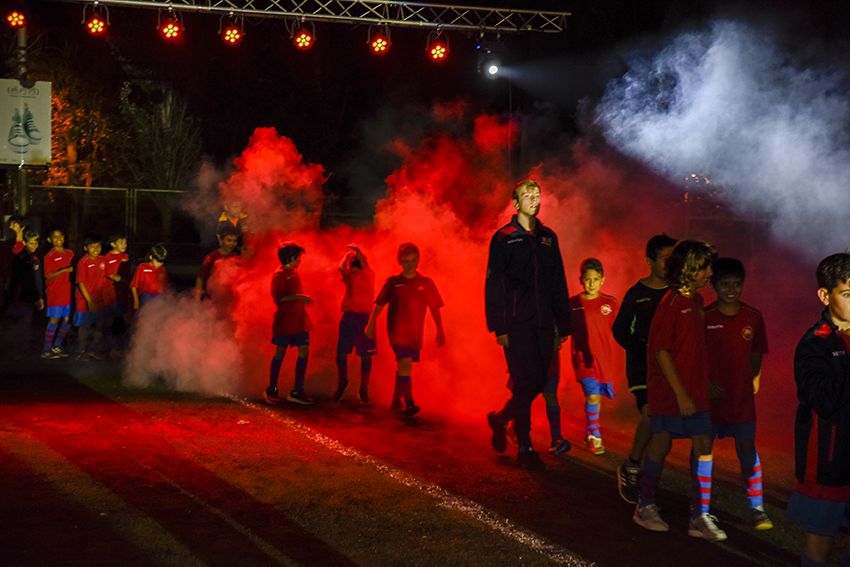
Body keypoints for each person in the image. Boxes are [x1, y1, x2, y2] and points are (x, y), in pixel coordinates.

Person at [632, 240, 727, 542]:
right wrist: (682, 394)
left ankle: (700, 514)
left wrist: (703, 381)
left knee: (703, 445)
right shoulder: (671, 304)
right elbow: (661, 352)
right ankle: (644, 505)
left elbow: (693, 350)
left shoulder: (697, 301)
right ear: (689, 270)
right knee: (661, 442)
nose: (710, 272)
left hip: (694, 391)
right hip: (670, 393)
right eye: (705, 267)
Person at [485, 179, 571, 472]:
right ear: (516, 202)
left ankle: (500, 418)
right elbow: (493, 284)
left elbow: (558, 281)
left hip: (545, 324)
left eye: (537, 194)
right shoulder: (504, 238)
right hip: (516, 325)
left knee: (536, 382)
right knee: (525, 382)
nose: (533, 199)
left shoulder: (548, 237)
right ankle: (525, 447)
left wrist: (564, 322)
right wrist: (500, 327)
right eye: (527, 195)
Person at [786, 253, 850, 567]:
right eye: (849, 294)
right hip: (829, 461)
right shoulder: (815, 344)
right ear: (825, 295)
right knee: (820, 543)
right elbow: (824, 402)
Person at [705, 257, 773, 531]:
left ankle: (757, 508)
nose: (731, 290)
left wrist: (755, 376)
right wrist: (704, 382)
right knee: (703, 450)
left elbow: (757, 351)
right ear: (714, 285)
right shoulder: (705, 316)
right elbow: (694, 356)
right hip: (710, 401)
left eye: (736, 284)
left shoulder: (753, 317)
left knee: (746, 448)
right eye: (725, 284)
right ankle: (700, 506)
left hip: (741, 399)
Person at [612, 233, 676, 503]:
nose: (670, 264)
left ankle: (648, 484)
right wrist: (641, 347)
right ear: (650, 261)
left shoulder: (677, 294)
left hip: (670, 369)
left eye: (674, 259)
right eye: (665, 259)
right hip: (642, 368)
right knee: (651, 415)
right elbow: (619, 329)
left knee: (664, 430)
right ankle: (632, 466)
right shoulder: (637, 294)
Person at [365, 242, 445, 417]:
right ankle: (409, 402)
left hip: (415, 333)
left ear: (418, 260)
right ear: (400, 261)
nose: (410, 264)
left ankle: (395, 400)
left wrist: (440, 330)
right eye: (406, 261)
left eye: (414, 260)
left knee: (403, 366)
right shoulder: (394, 283)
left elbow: (434, 308)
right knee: (405, 362)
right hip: (397, 331)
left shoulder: (426, 283)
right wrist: (370, 325)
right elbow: (379, 304)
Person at [570, 257, 619, 456]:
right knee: (593, 394)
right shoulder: (573, 304)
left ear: (602, 280)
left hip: (603, 359)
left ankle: (589, 430)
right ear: (581, 280)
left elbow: (622, 328)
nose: (591, 283)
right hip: (582, 359)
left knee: (597, 397)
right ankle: (595, 436)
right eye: (587, 279)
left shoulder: (610, 303)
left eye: (595, 279)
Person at [265, 242, 314, 406]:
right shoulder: (279, 275)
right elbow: (279, 299)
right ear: (291, 258)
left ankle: (297, 391)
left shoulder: (293, 272)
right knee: (280, 353)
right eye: (298, 258)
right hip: (285, 322)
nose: (300, 261)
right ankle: (271, 389)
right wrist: (300, 297)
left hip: (299, 321)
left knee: (304, 352)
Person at [333, 244, 376, 403]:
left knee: (365, 355)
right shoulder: (349, 277)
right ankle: (343, 382)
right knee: (341, 353)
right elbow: (340, 268)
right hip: (349, 317)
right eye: (352, 270)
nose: (352, 273)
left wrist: (358, 252)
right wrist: (347, 255)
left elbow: (365, 266)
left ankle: (364, 389)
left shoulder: (368, 275)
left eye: (355, 269)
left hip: (364, 319)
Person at [41, 228, 74, 359]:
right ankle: (46, 349)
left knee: (67, 319)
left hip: (68, 292)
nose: (58, 239)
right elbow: (48, 276)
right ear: (50, 240)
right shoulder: (49, 256)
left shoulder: (70, 253)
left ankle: (57, 346)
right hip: (55, 292)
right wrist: (65, 270)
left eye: (61, 236)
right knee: (54, 320)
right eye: (55, 237)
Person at [74, 235, 108, 360]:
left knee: (100, 324)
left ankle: (94, 349)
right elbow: (81, 283)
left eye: (98, 246)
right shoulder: (83, 262)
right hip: (85, 300)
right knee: (85, 326)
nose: (96, 249)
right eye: (92, 246)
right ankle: (81, 351)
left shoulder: (103, 260)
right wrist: (89, 301)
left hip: (100, 298)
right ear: (85, 248)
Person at [9, 230, 44, 342]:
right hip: (22, 297)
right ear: (25, 243)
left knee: (25, 323)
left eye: (35, 243)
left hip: (29, 297)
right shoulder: (22, 258)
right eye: (31, 243)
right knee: (23, 324)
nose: (34, 246)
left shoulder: (34, 257)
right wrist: (37, 298)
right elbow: (26, 281)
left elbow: (37, 279)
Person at [195, 226, 240, 301]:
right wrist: (197, 296)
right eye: (229, 240)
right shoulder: (212, 257)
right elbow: (200, 277)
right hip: (212, 299)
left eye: (234, 241)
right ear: (221, 241)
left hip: (229, 299)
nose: (232, 244)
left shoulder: (236, 258)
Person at [103, 234, 130, 356]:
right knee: (112, 321)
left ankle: (122, 347)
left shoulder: (125, 256)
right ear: (113, 244)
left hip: (123, 294)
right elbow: (109, 274)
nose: (124, 245)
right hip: (112, 295)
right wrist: (124, 281)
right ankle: (111, 348)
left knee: (124, 320)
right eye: (121, 243)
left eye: (125, 243)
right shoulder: (108, 257)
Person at [130, 244, 168, 311]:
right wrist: (136, 301)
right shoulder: (142, 268)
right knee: (144, 315)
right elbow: (133, 286)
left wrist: (166, 297)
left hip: (159, 296)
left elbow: (164, 284)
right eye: (157, 262)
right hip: (145, 296)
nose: (159, 264)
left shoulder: (162, 269)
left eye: (161, 262)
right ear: (151, 257)